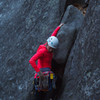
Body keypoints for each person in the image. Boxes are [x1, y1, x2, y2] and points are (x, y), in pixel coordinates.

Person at [29, 23, 64, 100]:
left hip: (47, 72)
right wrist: (39, 72)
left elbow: (53, 36)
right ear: (47, 43)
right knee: (40, 91)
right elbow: (31, 60)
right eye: (50, 48)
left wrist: (58, 27)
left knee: (55, 82)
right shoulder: (42, 51)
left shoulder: (48, 45)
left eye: (53, 49)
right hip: (41, 73)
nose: (51, 50)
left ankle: (51, 96)